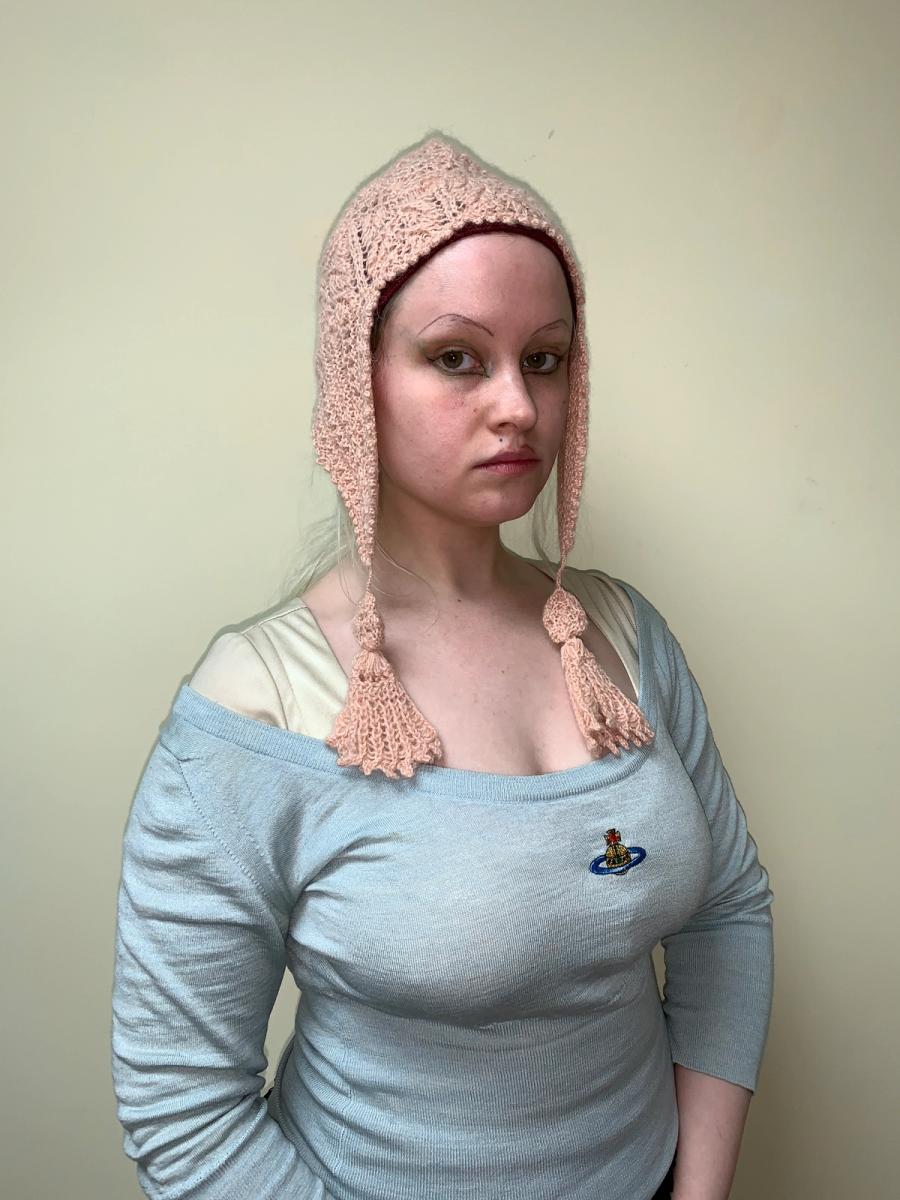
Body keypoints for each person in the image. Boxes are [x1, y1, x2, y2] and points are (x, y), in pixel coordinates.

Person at [111, 132, 774, 1200]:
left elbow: (727, 912)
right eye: (458, 358)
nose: (518, 405)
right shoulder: (259, 706)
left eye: (544, 359)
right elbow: (183, 1113)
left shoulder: (622, 636)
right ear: (356, 380)